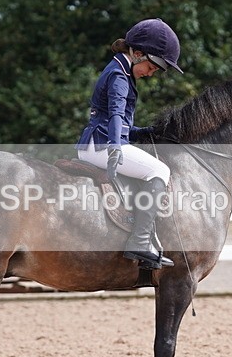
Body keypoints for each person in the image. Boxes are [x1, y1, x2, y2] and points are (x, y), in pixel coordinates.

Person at [75, 18, 184, 269]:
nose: (151, 73)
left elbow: (118, 123)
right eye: (151, 66)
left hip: (100, 141)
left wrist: (144, 133)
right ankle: (140, 241)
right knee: (160, 170)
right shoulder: (119, 76)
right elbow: (114, 114)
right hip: (102, 145)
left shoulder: (120, 71)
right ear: (137, 53)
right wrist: (115, 147)